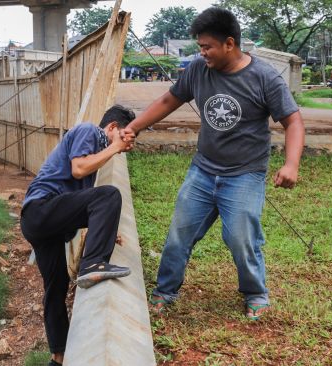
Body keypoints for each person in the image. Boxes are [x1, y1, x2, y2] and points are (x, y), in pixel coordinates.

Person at [121, 7, 304, 321]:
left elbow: (293, 122)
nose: (201, 52)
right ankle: (165, 292)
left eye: (207, 47)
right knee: (180, 233)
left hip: (245, 174)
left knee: (241, 238)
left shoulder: (264, 78)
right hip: (203, 171)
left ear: (230, 44)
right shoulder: (197, 70)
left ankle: (255, 293)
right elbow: (168, 100)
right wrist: (133, 127)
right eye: (199, 46)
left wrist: (291, 164)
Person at [20, 105, 137, 366]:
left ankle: (57, 357)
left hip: (40, 222)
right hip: (42, 209)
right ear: (113, 128)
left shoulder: (97, 146)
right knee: (109, 194)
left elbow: (77, 204)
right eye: (127, 135)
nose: (129, 142)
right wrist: (114, 147)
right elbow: (78, 170)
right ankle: (93, 264)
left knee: (56, 287)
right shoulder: (89, 131)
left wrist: (106, 229)